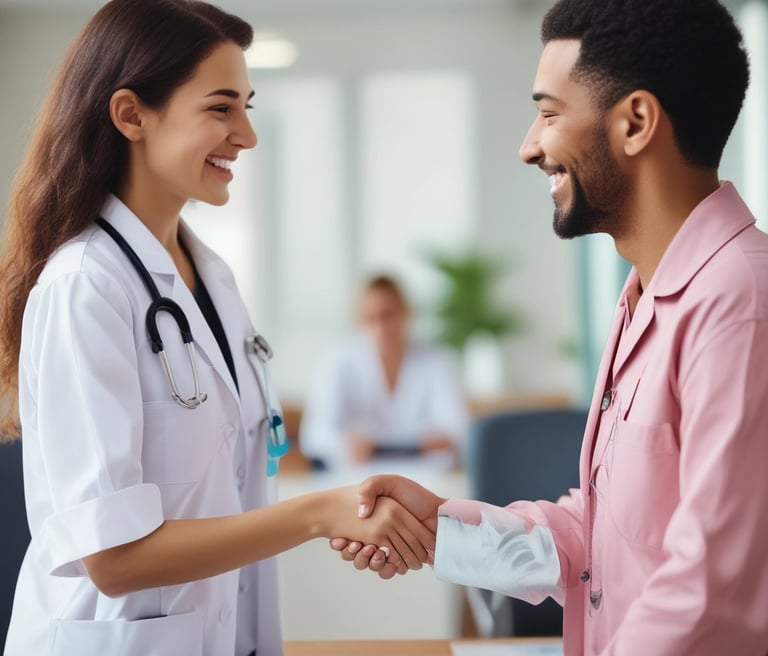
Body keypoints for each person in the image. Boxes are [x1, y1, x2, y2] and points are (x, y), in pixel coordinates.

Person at [333, 0, 768, 653]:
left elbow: (711, 588)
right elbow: (605, 536)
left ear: (636, 122)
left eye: (549, 113)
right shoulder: (646, 296)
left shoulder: (740, 301)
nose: (529, 145)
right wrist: (441, 528)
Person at [0, 2, 433, 655]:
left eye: (247, 107)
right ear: (131, 115)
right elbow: (112, 558)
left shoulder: (212, 277)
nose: (247, 135)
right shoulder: (85, 287)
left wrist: (345, 514)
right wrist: (319, 513)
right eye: (221, 107)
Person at [299, 274, 469, 470]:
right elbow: (315, 435)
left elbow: (458, 430)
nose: (380, 327)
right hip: (355, 475)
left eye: (388, 315)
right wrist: (345, 444)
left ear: (406, 313)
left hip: (425, 474)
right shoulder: (337, 362)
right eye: (370, 318)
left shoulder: (437, 361)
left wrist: (440, 442)